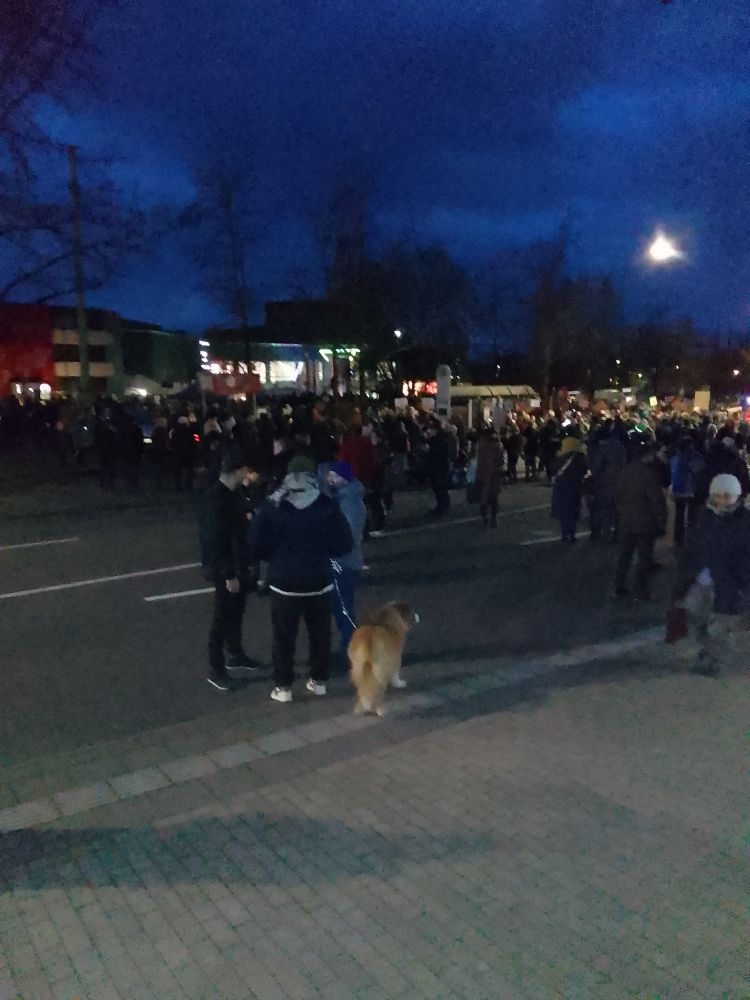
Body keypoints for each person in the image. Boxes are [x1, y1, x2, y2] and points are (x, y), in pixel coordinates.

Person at [247, 455, 353, 703]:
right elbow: (344, 543)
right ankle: (318, 681)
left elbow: (254, 541)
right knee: (320, 634)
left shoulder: (275, 504)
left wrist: (274, 556)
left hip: (284, 582)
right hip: (318, 580)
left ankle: (283, 687)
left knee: (283, 636)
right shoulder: (326, 504)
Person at [670, 473, 750, 676]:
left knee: (720, 627)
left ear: (737, 496)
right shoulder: (704, 515)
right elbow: (691, 548)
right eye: (719, 495)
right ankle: (706, 651)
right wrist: (683, 577)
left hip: (728, 584)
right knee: (696, 619)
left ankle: (715, 662)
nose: (723, 500)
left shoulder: (744, 521)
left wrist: (742, 581)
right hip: (699, 580)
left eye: (728, 496)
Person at [204, 447, 258, 691]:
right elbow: (216, 541)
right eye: (244, 469)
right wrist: (229, 574)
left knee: (236, 613)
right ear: (237, 470)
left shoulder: (231, 493)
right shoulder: (217, 499)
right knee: (222, 618)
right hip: (228, 569)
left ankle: (235, 653)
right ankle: (216, 669)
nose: (247, 473)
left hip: (238, 564)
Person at [613, 439, 667, 599]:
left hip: (627, 520)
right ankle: (640, 590)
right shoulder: (648, 474)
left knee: (624, 555)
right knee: (644, 558)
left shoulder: (624, 472)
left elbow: (617, 496)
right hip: (645, 522)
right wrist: (661, 522)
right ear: (647, 456)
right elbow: (656, 501)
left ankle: (618, 586)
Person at [326, 460, 367, 668]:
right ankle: (350, 647)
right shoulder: (344, 497)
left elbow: (349, 536)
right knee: (341, 607)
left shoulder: (349, 501)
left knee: (343, 608)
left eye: (334, 475)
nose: (330, 479)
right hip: (344, 561)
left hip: (344, 562)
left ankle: (351, 650)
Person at [550, 437, 588, 543]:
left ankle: (564, 533)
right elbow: (584, 470)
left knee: (563, 511)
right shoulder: (580, 458)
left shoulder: (560, 457)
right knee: (573, 510)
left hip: (561, 487)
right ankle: (571, 534)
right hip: (575, 487)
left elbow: (553, 469)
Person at [670, 436, 704, 546]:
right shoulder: (692, 456)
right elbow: (699, 470)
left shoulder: (675, 457)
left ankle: (678, 538)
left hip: (677, 489)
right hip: (689, 489)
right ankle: (691, 538)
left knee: (679, 515)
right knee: (692, 514)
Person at [475, 427, 504, 528]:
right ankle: (493, 518)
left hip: (484, 475)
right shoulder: (497, 446)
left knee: (484, 498)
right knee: (493, 498)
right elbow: (500, 461)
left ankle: (485, 518)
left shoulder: (482, 445)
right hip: (493, 475)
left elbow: (479, 460)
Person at [425, 419, 452, 516]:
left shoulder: (440, 440)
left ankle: (442, 507)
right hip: (437, 468)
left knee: (440, 489)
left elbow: (438, 455)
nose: (429, 431)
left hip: (439, 468)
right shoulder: (436, 439)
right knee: (439, 489)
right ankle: (443, 506)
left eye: (431, 429)